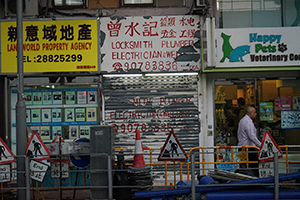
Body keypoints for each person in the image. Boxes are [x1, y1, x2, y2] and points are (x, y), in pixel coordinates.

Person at [237, 106, 261, 176]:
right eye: (255, 112)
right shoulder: (248, 122)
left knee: (244, 166)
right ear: (251, 113)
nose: (256, 114)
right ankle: (255, 180)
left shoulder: (242, 120)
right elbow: (251, 136)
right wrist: (260, 144)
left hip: (242, 147)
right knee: (254, 166)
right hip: (249, 148)